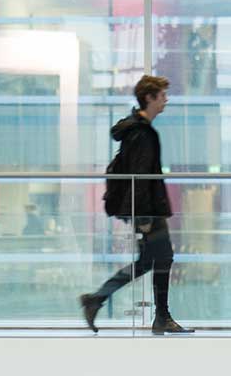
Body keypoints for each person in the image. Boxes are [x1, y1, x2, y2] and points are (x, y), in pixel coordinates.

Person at [81, 75, 191, 336]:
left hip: (148, 208)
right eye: (162, 95)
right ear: (150, 98)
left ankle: (100, 300)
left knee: (152, 260)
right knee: (160, 258)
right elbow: (140, 179)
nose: (166, 100)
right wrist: (143, 216)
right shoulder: (142, 134)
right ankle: (157, 315)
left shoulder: (138, 130)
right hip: (148, 210)